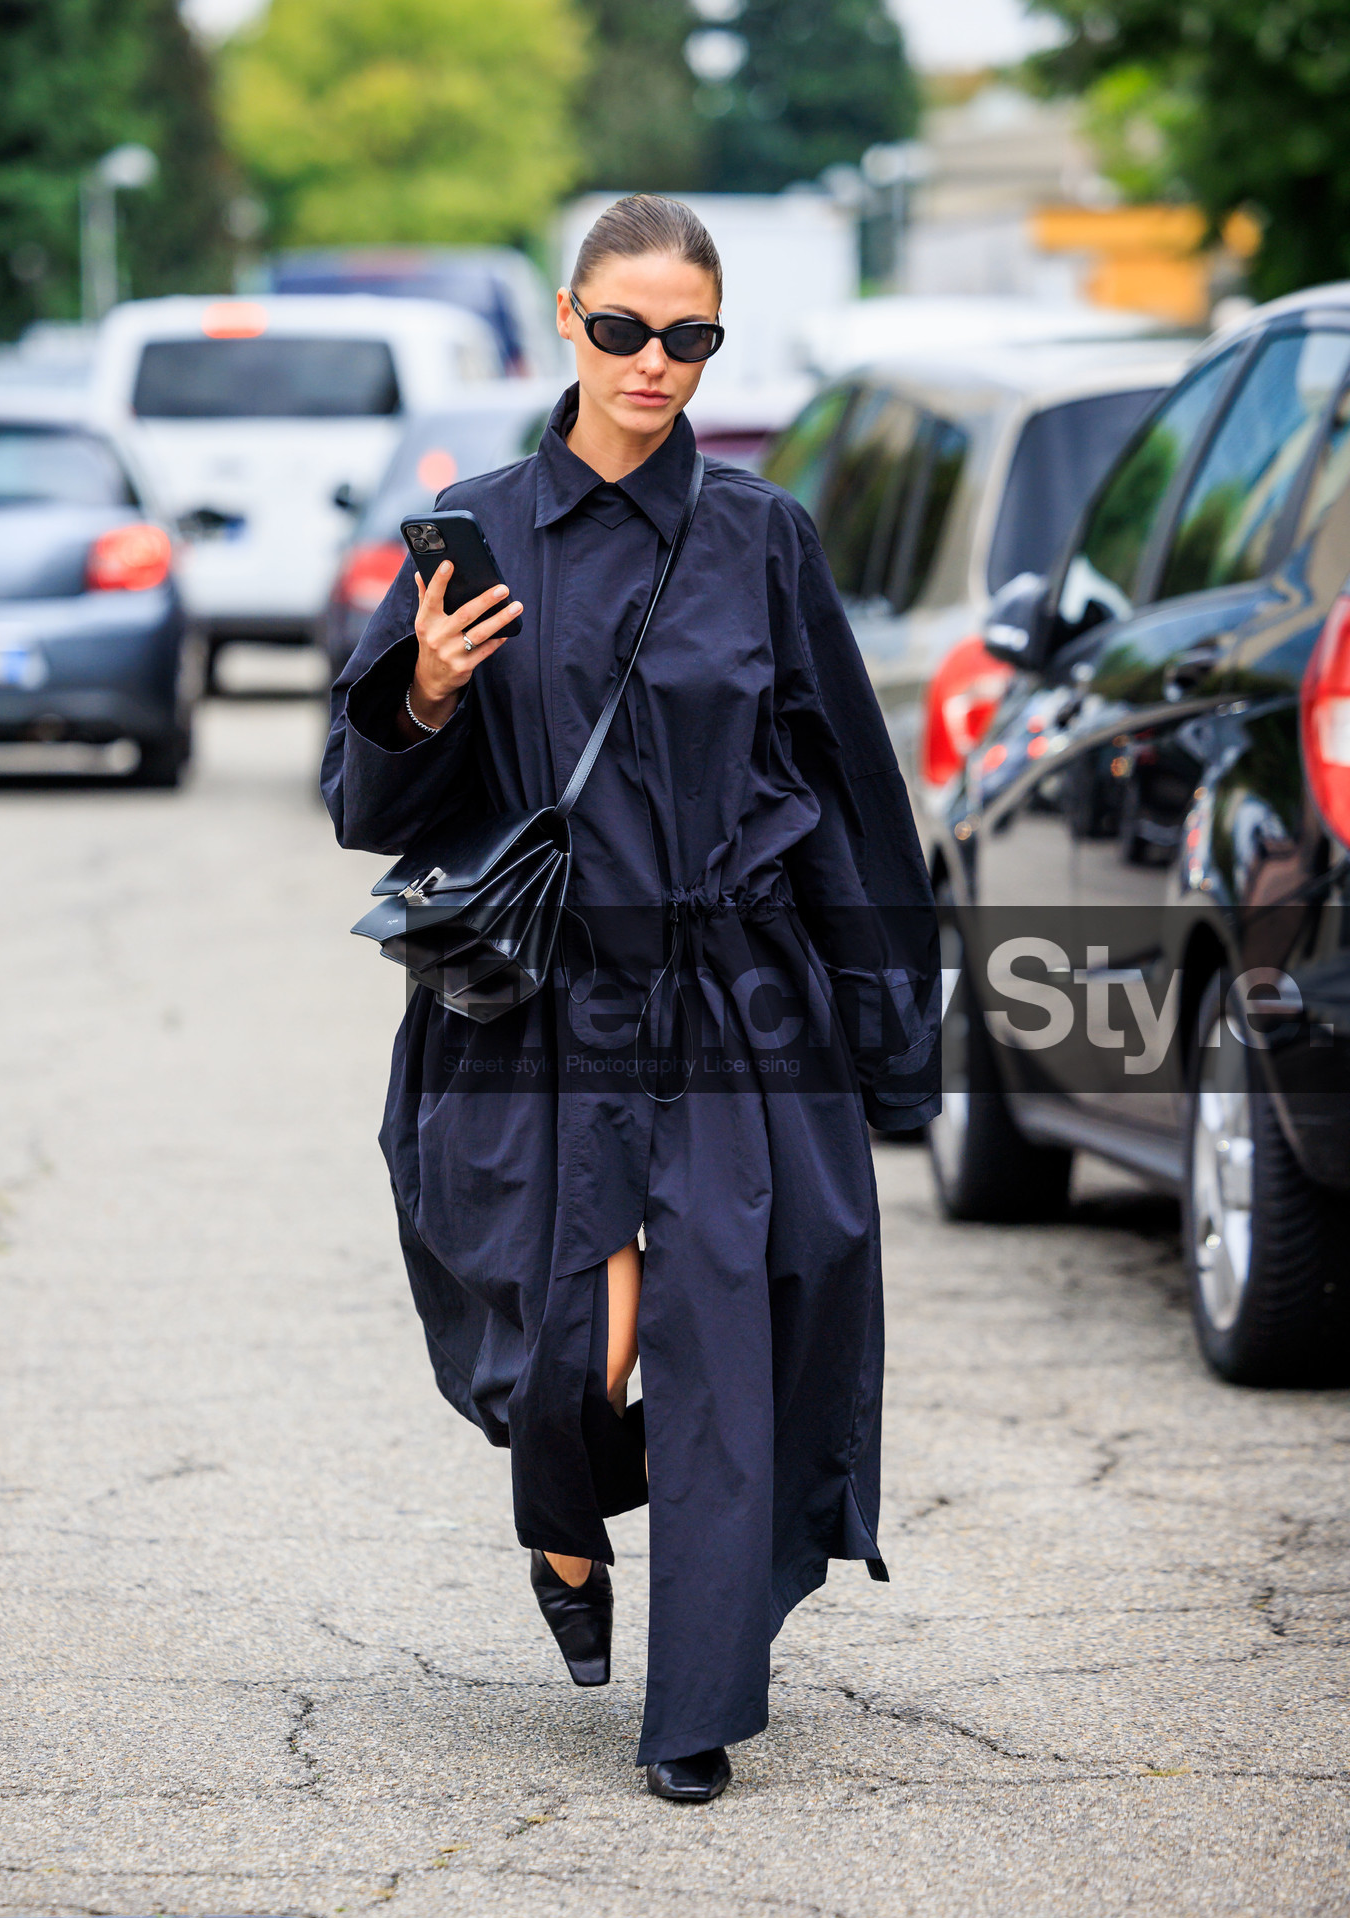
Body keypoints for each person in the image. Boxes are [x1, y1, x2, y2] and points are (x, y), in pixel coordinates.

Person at [322, 194, 939, 1803]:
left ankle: (696, 1713)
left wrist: (891, 1032)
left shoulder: (762, 538)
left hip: (736, 995)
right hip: (541, 1011)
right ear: (567, 325)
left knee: (729, 1335)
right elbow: (365, 808)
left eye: (690, 338)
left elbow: (849, 791)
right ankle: (562, 1528)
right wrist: (426, 690)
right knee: (566, 1365)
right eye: (623, 330)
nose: (654, 364)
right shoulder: (478, 528)